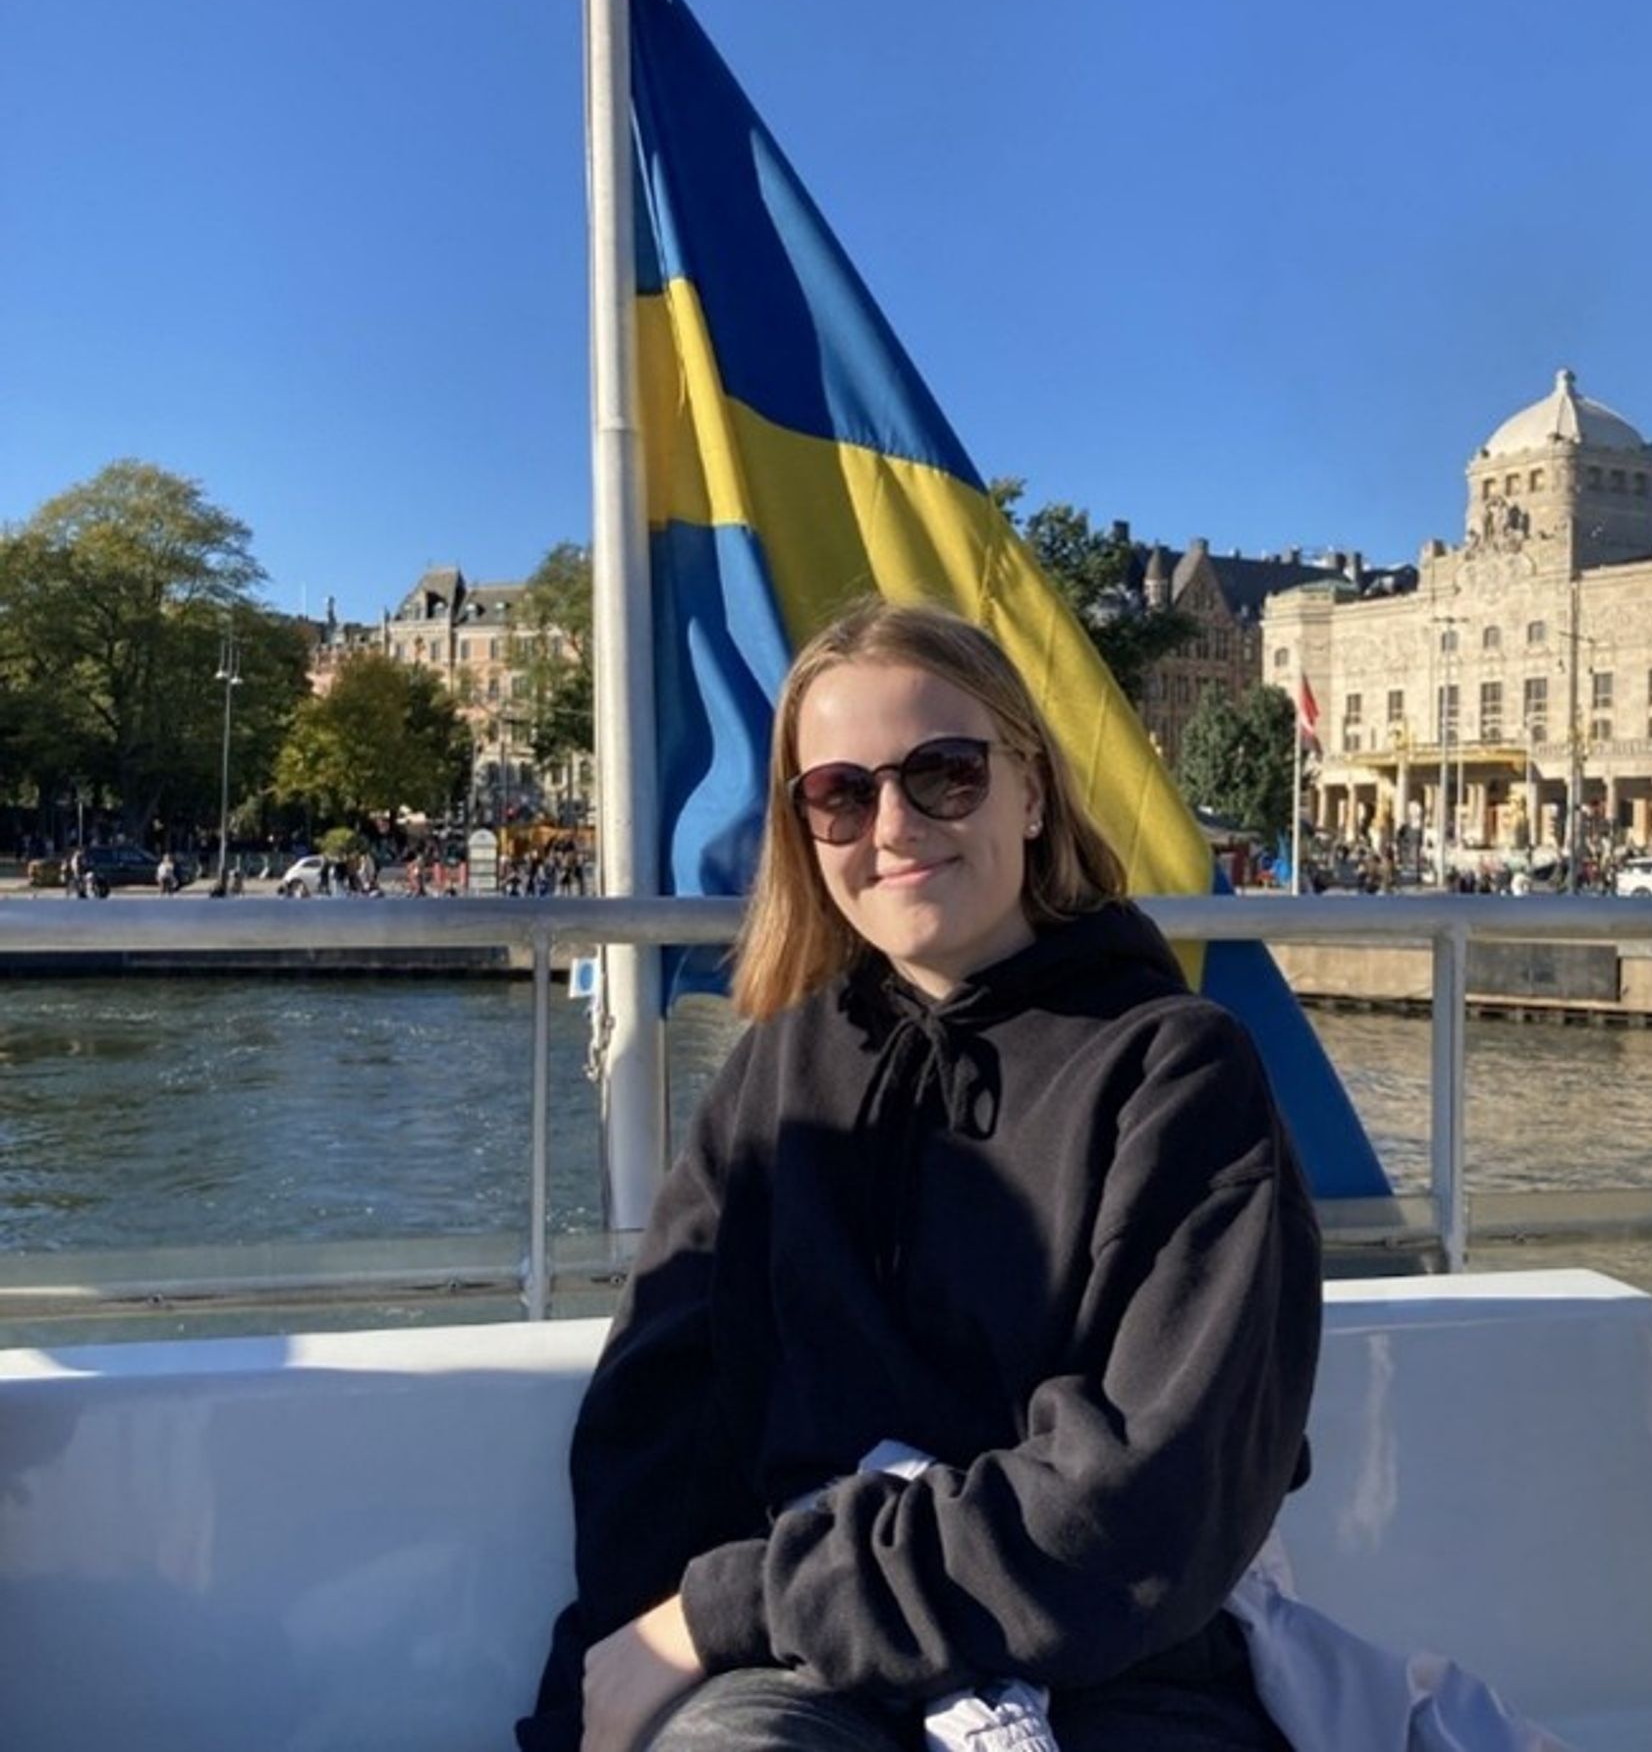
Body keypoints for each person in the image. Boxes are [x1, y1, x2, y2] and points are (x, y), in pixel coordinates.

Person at [520, 598, 1321, 1752]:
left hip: (1115, 1673)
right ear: (805, 829)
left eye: (943, 772)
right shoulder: (777, 1077)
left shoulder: (1176, 1070)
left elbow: (1146, 1505)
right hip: (800, 1676)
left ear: (1032, 790)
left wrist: (731, 1605)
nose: (892, 824)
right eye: (841, 792)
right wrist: (593, 1693)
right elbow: (659, 1437)